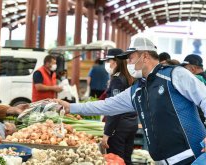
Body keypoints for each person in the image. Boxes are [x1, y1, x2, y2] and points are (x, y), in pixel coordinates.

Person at [57, 37, 206, 164]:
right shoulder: (137, 90)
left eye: (131, 58)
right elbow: (106, 105)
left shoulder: (174, 75)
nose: (128, 63)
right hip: (161, 161)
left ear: (145, 56)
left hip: (193, 158)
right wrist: (71, 107)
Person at [102, 48, 138, 165]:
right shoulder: (130, 77)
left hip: (119, 127)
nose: (108, 64)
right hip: (131, 123)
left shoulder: (118, 79)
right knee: (126, 160)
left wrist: (107, 133)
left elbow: (115, 108)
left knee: (116, 160)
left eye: (109, 60)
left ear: (115, 61)